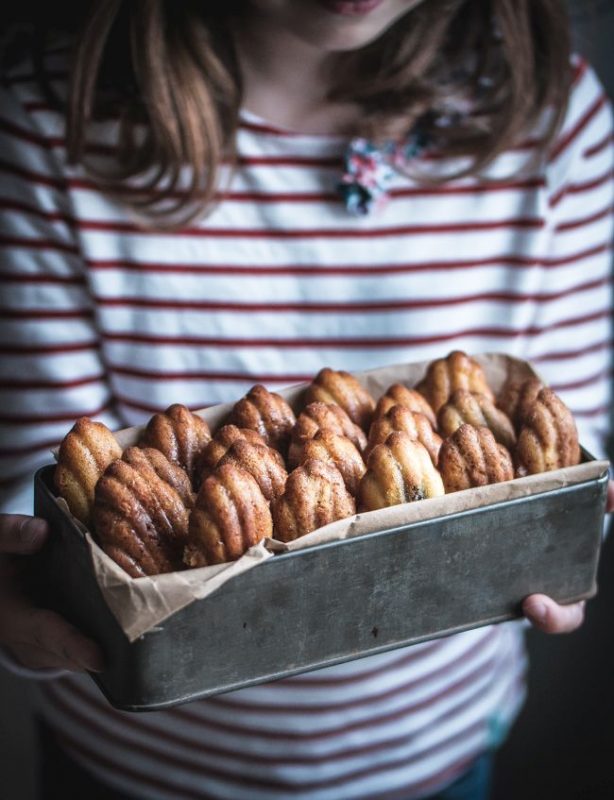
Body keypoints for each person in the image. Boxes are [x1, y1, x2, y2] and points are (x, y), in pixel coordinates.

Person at [0, 1, 612, 798]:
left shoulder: (551, 121)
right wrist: (21, 606)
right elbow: (39, 484)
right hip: (142, 760)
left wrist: (562, 532)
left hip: (430, 741)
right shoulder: (52, 126)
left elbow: (567, 435)